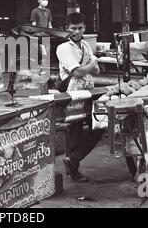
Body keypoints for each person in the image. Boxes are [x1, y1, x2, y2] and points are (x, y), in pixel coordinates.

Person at [56, 12, 103, 182]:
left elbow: (97, 71)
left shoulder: (85, 45)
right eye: (73, 28)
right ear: (66, 29)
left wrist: (90, 66)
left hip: (88, 93)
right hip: (72, 94)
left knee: (99, 125)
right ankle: (73, 170)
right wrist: (91, 63)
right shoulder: (63, 48)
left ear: (85, 28)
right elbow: (77, 72)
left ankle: (74, 159)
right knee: (74, 132)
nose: (76, 31)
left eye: (80, 28)